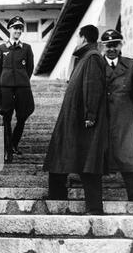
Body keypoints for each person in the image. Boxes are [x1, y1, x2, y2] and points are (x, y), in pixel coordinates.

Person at [43, 25, 108, 215]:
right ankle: (57, 198)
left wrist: (90, 115)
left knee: (88, 163)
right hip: (74, 120)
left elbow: (93, 87)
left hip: (83, 122)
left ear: (84, 39)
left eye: (78, 38)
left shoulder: (93, 57)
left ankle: (94, 208)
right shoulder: (85, 58)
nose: (76, 42)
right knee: (60, 158)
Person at [101, 29, 133, 201]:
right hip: (103, 116)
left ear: (120, 45)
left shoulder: (129, 65)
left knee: (128, 154)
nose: (111, 49)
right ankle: (98, 199)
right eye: (108, 45)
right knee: (100, 153)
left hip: (125, 116)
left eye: (115, 45)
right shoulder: (97, 65)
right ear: (103, 47)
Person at [0, 16, 35, 162]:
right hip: (6, 87)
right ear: (9, 29)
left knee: (22, 116)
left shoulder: (26, 48)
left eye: (20, 28)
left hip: (22, 87)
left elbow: (30, 68)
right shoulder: (1, 48)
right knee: (6, 117)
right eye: (15, 28)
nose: (18, 31)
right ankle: (8, 150)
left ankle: (14, 143)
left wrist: (22, 79)